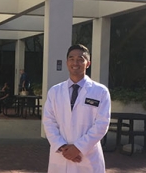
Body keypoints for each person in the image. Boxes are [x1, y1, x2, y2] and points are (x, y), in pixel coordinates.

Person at [42, 44, 111, 173]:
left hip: (87, 157)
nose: (75, 63)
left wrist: (78, 148)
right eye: (71, 59)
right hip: (61, 156)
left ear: (88, 63)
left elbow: (102, 124)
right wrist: (63, 147)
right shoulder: (55, 91)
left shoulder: (100, 91)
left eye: (80, 59)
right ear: (67, 62)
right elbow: (48, 121)